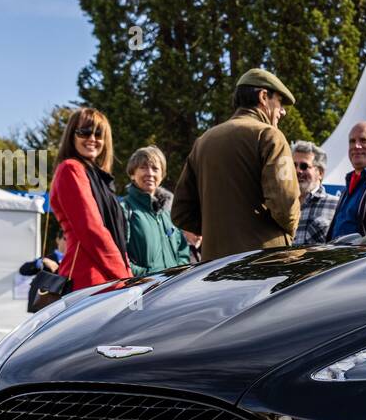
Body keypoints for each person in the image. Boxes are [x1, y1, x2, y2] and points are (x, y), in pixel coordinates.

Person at [171, 68, 300, 260]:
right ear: (264, 97)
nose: (282, 112)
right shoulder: (269, 135)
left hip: (213, 266)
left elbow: (181, 212)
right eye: (280, 102)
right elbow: (285, 205)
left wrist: (219, 231)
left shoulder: (203, 141)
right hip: (263, 263)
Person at [48, 108, 130, 291]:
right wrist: (125, 277)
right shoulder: (71, 169)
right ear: (72, 135)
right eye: (84, 132)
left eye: (98, 133)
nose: (92, 138)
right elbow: (91, 229)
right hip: (88, 279)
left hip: (105, 277)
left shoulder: (100, 178)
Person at [121, 146, 191, 274]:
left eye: (155, 168)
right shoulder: (124, 208)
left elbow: (183, 250)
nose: (150, 173)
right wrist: (147, 276)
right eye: (143, 167)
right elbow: (120, 256)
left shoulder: (169, 210)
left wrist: (178, 273)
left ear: (162, 175)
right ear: (132, 174)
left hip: (175, 287)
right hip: (144, 289)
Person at [291, 141, 337, 245]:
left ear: (320, 173)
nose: (298, 171)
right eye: (294, 165)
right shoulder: (282, 204)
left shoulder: (335, 205)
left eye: (304, 166)